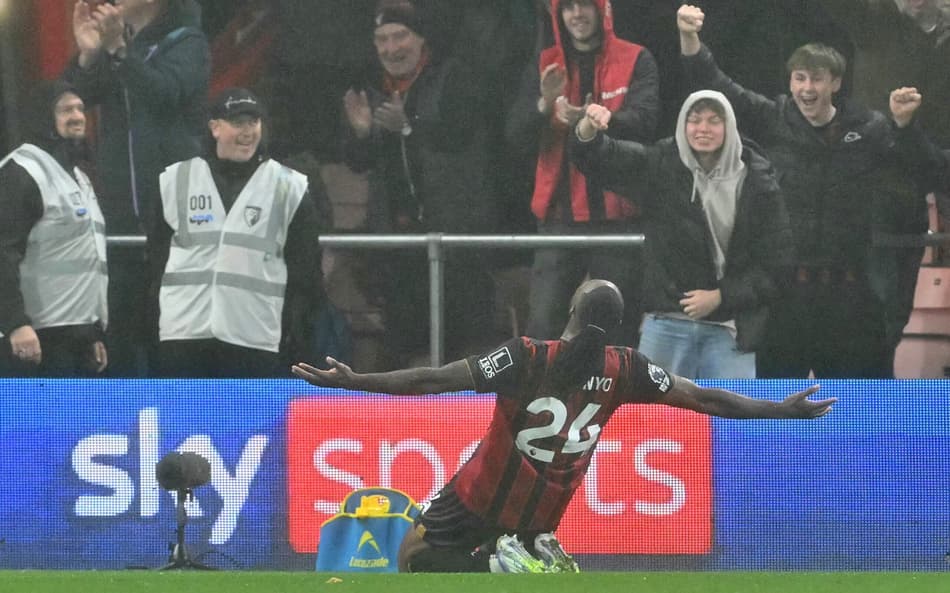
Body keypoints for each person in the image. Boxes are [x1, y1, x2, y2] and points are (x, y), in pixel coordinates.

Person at [292, 278, 836, 573]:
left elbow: (433, 380)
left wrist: (354, 379)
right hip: (546, 507)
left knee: (412, 555)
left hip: (483, 493)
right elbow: (702, 397)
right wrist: (778, 408)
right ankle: (522, 550)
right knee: (473, 545)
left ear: (571, 312)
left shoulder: (529, 356)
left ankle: (501, 568)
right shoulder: (626, 367)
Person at [678, 5, 928, 378]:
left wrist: (905, 126)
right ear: (791, 82)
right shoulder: (773, 117)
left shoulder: (870, 128)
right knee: (778, 411)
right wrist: (689, 38)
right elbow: (717, 84)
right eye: (799, 78)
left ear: (836, 84)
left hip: (851, 298)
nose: (807, 88)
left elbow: (922, 167)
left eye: (817, 79)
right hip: (785, 299)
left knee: (860, 411)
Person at [568, 91, 794, 378]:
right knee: (656, 421)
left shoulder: (759, 182)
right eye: (695, 120)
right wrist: (588, 127)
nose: (703, 129)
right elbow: (598, 157)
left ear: (730, 126)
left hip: (732, 331)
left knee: (735, 422)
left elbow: (777, 268)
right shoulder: (660, 164)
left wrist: (722, 297)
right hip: (665, 325)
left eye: (714, 121)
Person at [341, 0, 498, 367]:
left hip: (458, 242)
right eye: (382, 39)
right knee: (404, 350)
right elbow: (357, 162)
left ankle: (470, 424)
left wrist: (408, 126)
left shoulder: (455, 77)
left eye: (400, 36)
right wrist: (363, 135)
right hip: (398, 245)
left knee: (465, 352)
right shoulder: (371, 90)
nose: (391, 48)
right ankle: (408, 424)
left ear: (421, 39)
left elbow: (459, 140)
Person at [63, 0, 210, 377]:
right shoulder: (120, 47)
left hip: (173, 227)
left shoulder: (187, 41)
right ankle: (125, 429)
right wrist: (88, 53)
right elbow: (76, 98)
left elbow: (163, 94)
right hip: (121, 224)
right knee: (120, 343)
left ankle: (180, 427)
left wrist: (118, 52)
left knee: (173, 343)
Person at [505, 0, 660, 347]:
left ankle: (615, 401)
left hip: (618, 216)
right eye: (568, 6)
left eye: (585, 5)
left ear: (602, 10)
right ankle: (537, 401)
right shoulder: (546, 63)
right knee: (543, 329)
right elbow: (514, 137)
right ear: (558, 14)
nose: (576, 14)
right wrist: (544, 106)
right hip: (560, 217)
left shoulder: (636, 58)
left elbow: (647, 121)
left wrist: (601, 120)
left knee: (616, 330)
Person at [150, 88, 325, 377]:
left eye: (253, 122)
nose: (248, 131)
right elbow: (156, 261)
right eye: (238, 122)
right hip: (183, 335)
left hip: (254, 337)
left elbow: (306, 271)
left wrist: (294, 331)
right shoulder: (174, 180)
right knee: (186, 423)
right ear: (215, 127)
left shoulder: (288, 186)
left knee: (250, 424)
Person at [0, 81, 108, 377]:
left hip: (78, 336)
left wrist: (93, 330)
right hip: (36, 336)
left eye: (80, 108)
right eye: (65, 109)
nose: (77, 115)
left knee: (81, 424)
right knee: (38, 424)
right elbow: (3, 253)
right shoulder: (21, 171)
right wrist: (15, 323)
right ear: (43, 116)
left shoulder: (78, 176)